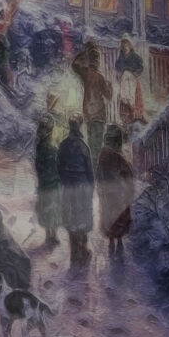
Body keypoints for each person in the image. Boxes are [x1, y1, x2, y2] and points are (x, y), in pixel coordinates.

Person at [57, 112, 94, 265]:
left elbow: (58, 166)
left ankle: (74, 254)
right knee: (83, 217)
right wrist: (91, 187)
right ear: (80, 126)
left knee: (71, 218)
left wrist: (65, 179)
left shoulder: (63, 145)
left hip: (69, 186)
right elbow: (89, 170)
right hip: (82, 185)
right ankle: (83, 251)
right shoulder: (83, 146)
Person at [71, 41, 112, 171]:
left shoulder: (85, 73)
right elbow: (109, 96)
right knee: (97, 148)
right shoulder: (100, 77)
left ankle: (91, 171)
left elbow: (74, 64)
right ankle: (94, 172)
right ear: (97, 61)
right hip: (99, 114)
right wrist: (110, 86)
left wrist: (85, 52)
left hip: (88, 112)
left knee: (90, 144)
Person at [96, 123, 134, 256]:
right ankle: (119, 242)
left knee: (109, 217)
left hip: (107, 193)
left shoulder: (102, 156)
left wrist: (100, 190)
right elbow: (129, 174)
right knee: (119, 217)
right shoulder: (119, 157)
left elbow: (99, 176)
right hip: (118, 193)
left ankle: (112, 241)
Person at [34, 114, 61, 249]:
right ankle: (53, 235)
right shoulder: (52, 149)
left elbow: (38, 167)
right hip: (53, 184)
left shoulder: (39, 147)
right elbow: (58, 167)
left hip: (44, 184)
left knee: (45, 209)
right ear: (51, 132)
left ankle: (48, 235)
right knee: (54, 209)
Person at [115, 35, 146, 129]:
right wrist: (119, 75)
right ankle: (126, 122)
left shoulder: (135, 57)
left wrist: (135, 73)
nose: (125, 47)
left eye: (126, 44)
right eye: (123, 44)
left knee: (133, 101)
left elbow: (140, 67)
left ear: (130, 45)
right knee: (124, 100)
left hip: (132, 82)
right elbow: (117, 68)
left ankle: (137, 118)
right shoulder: (120, 57)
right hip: (124, 82)